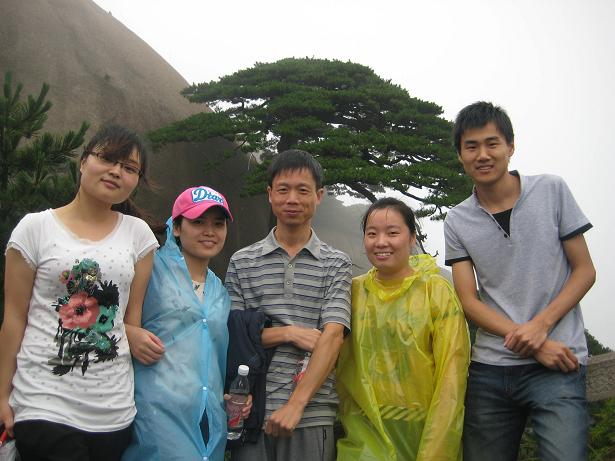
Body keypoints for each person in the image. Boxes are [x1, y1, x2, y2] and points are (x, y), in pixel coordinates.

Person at [444, 101, 596, 461]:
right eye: (471, 146)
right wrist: (530, 341)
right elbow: (469, 300)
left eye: (492, 143)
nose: (483, 155)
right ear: (461, 156)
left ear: (510, 147)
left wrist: (540, 328)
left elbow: (585, 271)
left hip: (559, 362)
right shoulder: (457, 220)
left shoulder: (551, 190)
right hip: (491, 370)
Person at [0, 125, 159, 461]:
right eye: (107, 159)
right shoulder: (35, 228)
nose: (116, 171)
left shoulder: (139, 235)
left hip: (114, 410)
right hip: (43, 401)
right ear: (83, 161)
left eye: (129, 168)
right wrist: (2, 394)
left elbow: (131, 318)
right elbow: (14, 317)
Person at [225, 149, 352, 461]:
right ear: (270, 194)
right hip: (251, 409)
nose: (292, 199)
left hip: (311, 414)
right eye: (283, 189)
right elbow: (234, 336)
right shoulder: (242, 262)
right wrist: (289, 333)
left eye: (303, 190)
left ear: (319, 196)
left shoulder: (336, 263)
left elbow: (333, 336)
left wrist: (296, 405)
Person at [336, 198, 469, 460]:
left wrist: (435, 451)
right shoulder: (352, 291)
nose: (381, 242)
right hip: (362, 432)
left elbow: (451, 377)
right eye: (372, 234)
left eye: (392, 233)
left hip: (420, 433)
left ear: (411, 238)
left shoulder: (435, 292)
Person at [122, 185, 249, 461]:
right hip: (155, 413)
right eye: (198, 222)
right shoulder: (151, 269)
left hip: (207, 421)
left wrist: (227, 397)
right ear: (177, 227)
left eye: (218, 224)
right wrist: (128, 333)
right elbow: (106, 318)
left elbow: (212, 358)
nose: (209, 231)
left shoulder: (220, 292)